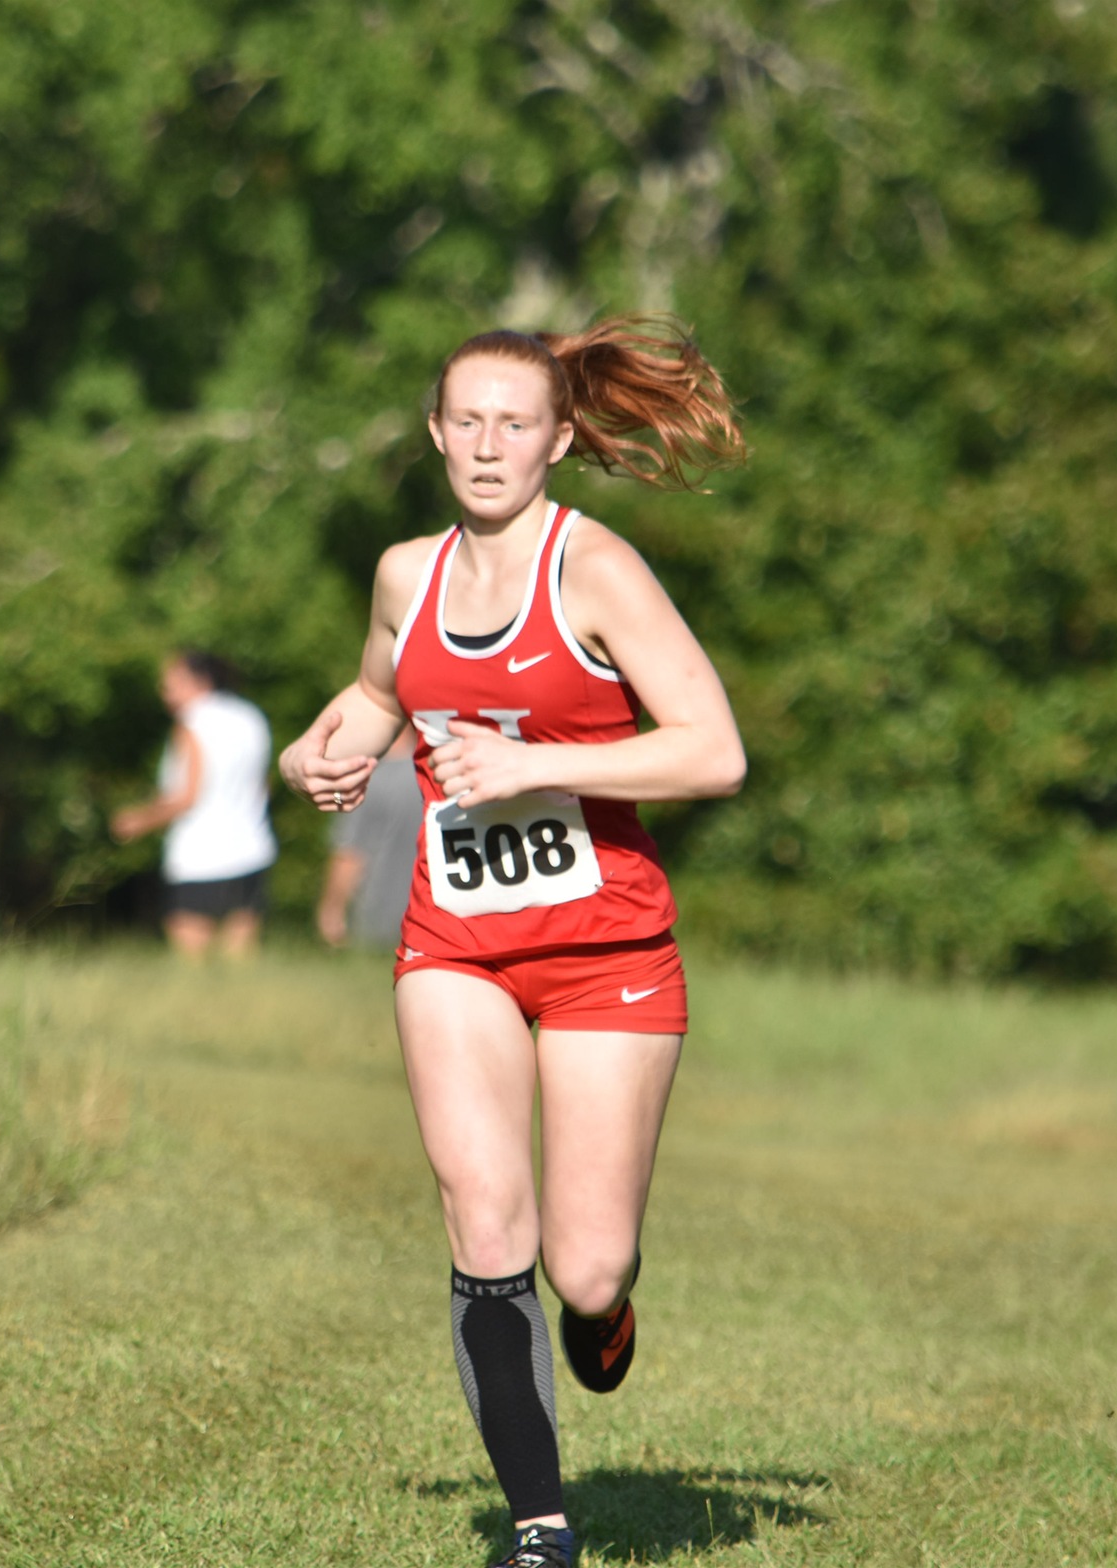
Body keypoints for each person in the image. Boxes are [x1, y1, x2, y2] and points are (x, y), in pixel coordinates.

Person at [276, 317, 747, 1568]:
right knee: (487, 1217)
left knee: (586, 1270)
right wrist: (317, 751)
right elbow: (382, 695)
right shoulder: (402, 573)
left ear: (558, 441)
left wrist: (532, 759)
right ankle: (540, 1527)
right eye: (465, 422)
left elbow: (714, 747)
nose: (487, 446)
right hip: (456, 939)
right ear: (435, 433)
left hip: (605, 947)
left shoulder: (596, 572)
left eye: (514, 424)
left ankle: (603, 1319)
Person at [112, 651, 278, 959]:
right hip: (252, 849)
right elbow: (264, 785)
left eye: (171, 684)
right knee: (240, 962)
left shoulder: (192, 723)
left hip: (199, 855)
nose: (165, 693)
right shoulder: (251, 717)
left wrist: (137, 821)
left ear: (200, 682)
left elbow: (187, 796)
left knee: (192, 966)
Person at [316, 727, 421, 948]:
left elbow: (349, 856)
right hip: (434, 921)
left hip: (377, 923)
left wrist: (331, 911)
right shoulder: (435, 776)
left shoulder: (365, 781)